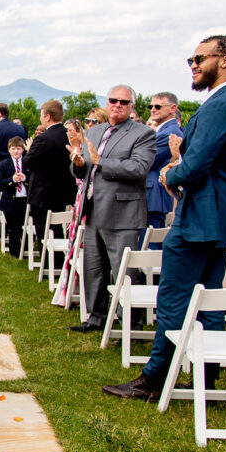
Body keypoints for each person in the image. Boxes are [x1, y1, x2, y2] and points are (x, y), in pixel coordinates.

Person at [104, 35, 226, 400]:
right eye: (190, 59)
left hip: (201, 212)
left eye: (199, 58)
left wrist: (170, 175)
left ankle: (155, 377)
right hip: (224, 214)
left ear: (225, 60)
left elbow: (199, 162)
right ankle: (206, 373)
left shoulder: (221, 105)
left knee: (174, 296)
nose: (192, 65)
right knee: (209, 296)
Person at [67, 85, 155, 333]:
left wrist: (100, 162)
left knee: (124, 270)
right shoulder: (94, 132)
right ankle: (96, 317)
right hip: (93, 207)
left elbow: (139, 168)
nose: (117, 105)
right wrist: (79, 163)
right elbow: (84, 169)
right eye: (113, 100)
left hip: (122, 212)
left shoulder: (143, 134)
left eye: (123, 102)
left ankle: (130, 323)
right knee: (93, 267)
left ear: (132, 107)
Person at [22, 100, 75, 242]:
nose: (40, 118)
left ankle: (48, 262)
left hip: (43, 194)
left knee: (44, 233)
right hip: (64, 193)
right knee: (59, 230)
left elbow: (28, 162)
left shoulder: (43, 139)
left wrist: (28, 150)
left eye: (41, 115)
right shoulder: (69, 136)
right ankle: (61, 260)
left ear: (47, 117)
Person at [146, 92, 184, 230]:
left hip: (155, 195)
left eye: (158, 106)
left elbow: (147, 161)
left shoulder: (169, 132)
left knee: (151, 245)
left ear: (173, 108)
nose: (153, 110)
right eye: (151, 106)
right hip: (153, 195)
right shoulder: (164, 131)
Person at [0, 103, 26, 213]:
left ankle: (1, 229)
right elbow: (24, 149)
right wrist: (13, 158)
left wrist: (8, 158)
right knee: (17, 208)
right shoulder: (20, 129)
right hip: (18, 171)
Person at [0, 136, 29, 258]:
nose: (16, 151)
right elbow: (0, 182)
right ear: (9, 149)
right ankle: (14, 252)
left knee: (24, 226)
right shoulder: (4, 164)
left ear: (23, 150)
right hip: (10, 199)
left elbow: (34, 179)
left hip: (24, 199)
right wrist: (12, 180)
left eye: (18, 149)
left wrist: (25, 178)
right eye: (13, 149)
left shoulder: (27, 162)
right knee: (13, 227)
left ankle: (26, 250)